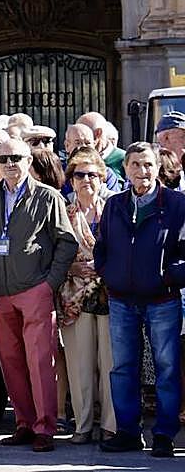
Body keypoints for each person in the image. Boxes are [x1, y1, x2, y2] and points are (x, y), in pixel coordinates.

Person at [0, 137, 77, 453]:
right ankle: (23, 423)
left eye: (16, 158)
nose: (10, 164)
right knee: (10, 361)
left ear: (28, 160)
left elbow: (67, 242)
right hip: (2, 291)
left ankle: (45, 427)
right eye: (4, 158)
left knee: (39, 361)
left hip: (35, 288)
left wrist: (50, 283)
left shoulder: (48, 196)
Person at [95, 142, 185, 458]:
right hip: (121, 299)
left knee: (167, 368)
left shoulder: (177, 204)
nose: (142, 171)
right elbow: (102, 246)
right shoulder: (114, 205)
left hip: (162, 300)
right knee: (122, 368)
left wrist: (167, 276)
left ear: (157, 167)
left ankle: (164, 435)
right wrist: (109, 273)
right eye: (135, 164)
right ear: (125, 168)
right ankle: (128, 432)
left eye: (148, 164)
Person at [58, 147, 116, 444]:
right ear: (71, 180)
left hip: (111, 295)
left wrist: (104, 266)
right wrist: (71, 267)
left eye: (92, 174)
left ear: (102, 177)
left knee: (110, 363)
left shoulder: (115, 209)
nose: (86, 180)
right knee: (79, 363)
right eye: (79, 175)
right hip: (74, 297)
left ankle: (110, 425)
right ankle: (82, 425)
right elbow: (50, 251)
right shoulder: (63, 212)